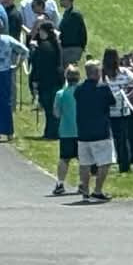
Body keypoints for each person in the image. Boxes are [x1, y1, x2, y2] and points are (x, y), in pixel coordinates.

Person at [74, 60, 118, 202]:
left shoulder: (79, 89)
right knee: (105, 162)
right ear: (97, 73)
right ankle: (97, 190)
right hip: (101, 132)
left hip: (83, 132)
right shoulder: (103, 88)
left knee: (85, 163)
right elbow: (112, 101)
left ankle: (85, 190)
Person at [101, 48, 133, 174]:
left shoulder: (104, 74)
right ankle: (123, 165)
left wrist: (128, 96)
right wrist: (129, 95)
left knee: (110, 140)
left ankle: (111, 164)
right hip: (119, 111)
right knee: (122, 140)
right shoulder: (122, 72)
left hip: (109, 111)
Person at [29, 21, 64, 140]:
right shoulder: (55, 44)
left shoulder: (44, 47)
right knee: (53, 108)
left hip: (46, 81)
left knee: (49, 108)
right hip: (56, 79)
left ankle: (52, 133)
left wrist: (35, 80)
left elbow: (38, 65)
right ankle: (52, 131)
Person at [52, 65, 81, 195]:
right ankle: (83, 184)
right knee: (83, 160)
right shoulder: (82, 92)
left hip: (66, 131)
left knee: (64, 159)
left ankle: (60, 183)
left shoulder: (60, 94)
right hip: (81, 130)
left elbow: (56, 114)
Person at [57, 0, 87, 67]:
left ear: (69, 1)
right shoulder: (67, 14)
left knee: (70, 70)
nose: (60, 1)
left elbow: (81, 32)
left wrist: (82, 46)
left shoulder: (74, 15)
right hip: (66, 48)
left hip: (71, 48)